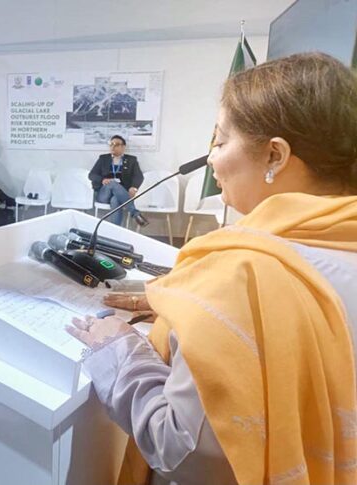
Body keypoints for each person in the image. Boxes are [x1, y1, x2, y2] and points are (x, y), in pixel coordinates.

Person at [67, 52, 357, 485]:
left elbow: (183, 451)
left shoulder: (244, 274)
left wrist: (122, 355)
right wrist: (189, 317)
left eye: (219, 142)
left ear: (275, 155)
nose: (210, 161)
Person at [89, 135, 148, 227]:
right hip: (104, 194)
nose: (112, 146)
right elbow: (92, 175)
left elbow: (138, 176)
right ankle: (135, 214)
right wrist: (103, 179)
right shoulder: (103, 158)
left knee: (115, 200)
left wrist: (134, 187)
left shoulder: (131, 160)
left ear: (123, 147)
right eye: (111, 144)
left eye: (116, 144)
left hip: (120, 195)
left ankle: (115, 232)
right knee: (112, 183)